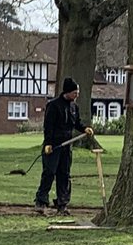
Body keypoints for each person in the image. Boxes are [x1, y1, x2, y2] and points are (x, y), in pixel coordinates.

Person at [35, 77, 93, 213]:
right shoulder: (53, 105)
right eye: (75, 93)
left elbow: (77, 123)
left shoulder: (74, 107)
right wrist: (48, 143)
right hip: (54, 145)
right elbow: (48, 126)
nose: (77, 95)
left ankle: (62, 203)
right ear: (67, 92)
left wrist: (85, 128)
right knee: (49, 173)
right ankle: (41, 201)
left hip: (67, 146)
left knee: (64, 174)